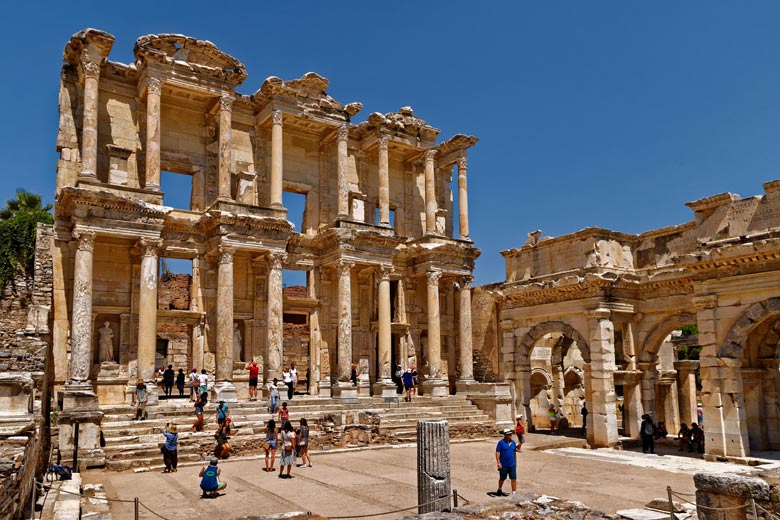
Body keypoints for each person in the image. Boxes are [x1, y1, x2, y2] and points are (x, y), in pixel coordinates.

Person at [494, 428, 518, 497]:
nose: (510, 435)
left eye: (510, 434)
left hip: (512, 464)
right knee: (502, 478)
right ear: (505, 435)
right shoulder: (501, 443)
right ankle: (499, 488)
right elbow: (497, 452)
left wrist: (515, 462)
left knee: (513, 478)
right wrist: (498, 462)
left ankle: (514, 493)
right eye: (508, 434)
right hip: (503, 464)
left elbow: (514, 452)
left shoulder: (513, 442)